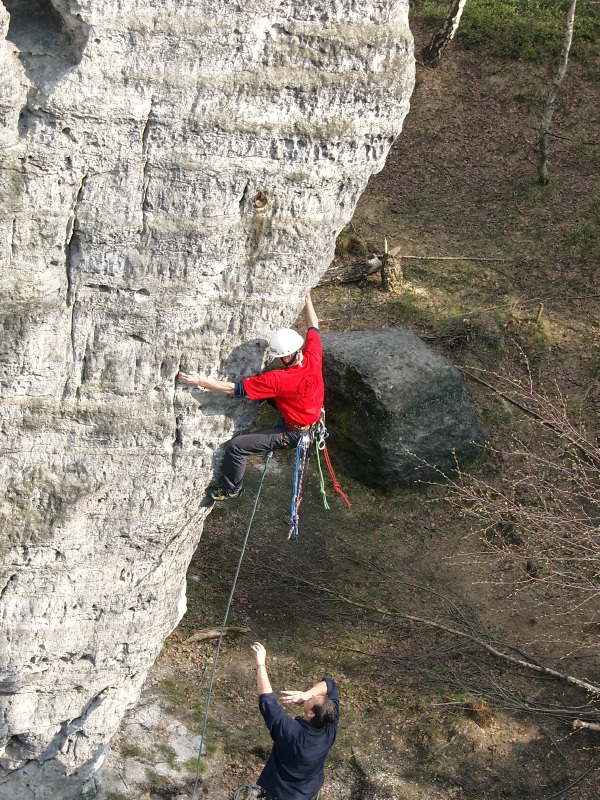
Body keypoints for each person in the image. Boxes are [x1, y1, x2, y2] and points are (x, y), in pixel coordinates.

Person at [178, 293, 324, 501]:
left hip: (292, 433)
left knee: (238, 447)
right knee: (265, 393)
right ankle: (262, 397)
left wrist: (200, 381)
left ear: (288, 355)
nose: (280, 360)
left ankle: (231, 490)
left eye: (281, 357)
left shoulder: (277, 379)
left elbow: (234, 389)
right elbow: (313, 325)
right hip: (309, 417)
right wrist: (308, 298)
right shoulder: (313, 356)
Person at [251, 641, 339, 800]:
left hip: (281, 794)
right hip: (308, 792)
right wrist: (306, 695)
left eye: (313, 699)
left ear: (311, 714)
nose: (313, 695)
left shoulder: (293, 733)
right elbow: (330, 686)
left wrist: (260, 664)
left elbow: (268, 702)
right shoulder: (330, 724)